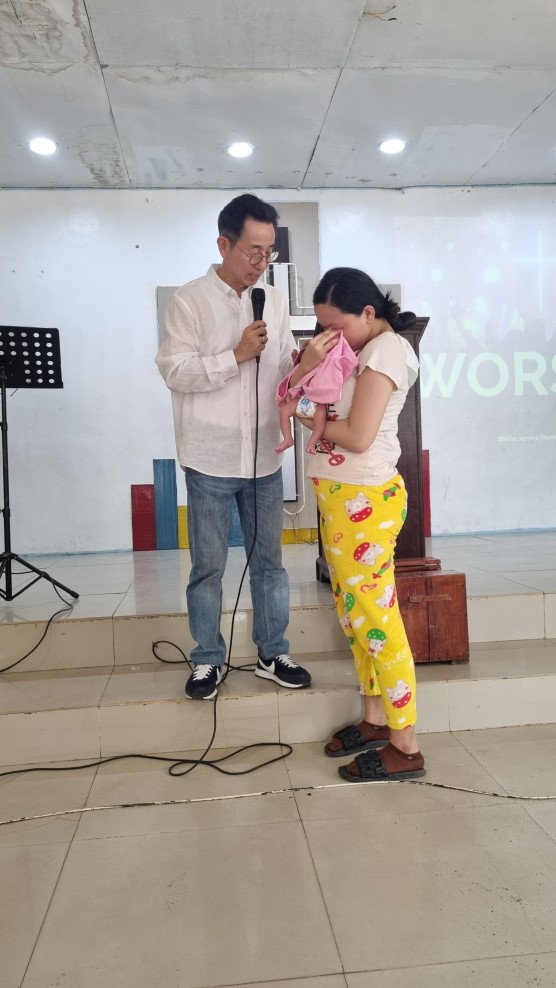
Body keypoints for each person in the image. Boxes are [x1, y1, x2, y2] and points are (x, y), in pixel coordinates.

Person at [155, 194, 311, 700]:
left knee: (270, 564)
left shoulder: (275, 300)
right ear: (223, 244)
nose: (261, 263)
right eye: (252, 251)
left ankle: (272, 651)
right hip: (210, 457)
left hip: (264, 455)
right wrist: (235, 355)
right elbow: (175, 371)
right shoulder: (189, 301)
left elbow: (283, 366)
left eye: (269, 253)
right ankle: (207, 658)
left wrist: (304, 364)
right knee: (208, 568)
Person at [290, 267, 426, 781]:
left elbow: (357, 435)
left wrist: (305, 411)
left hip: (363, 498)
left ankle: (405, 745)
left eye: (336, 326)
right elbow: (319, 411)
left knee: (376, 620)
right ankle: (374, 719)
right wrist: (308, 374)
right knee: (355, 616)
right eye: (322, 327)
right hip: (341, 499)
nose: (329, 337)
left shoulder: (386, 351)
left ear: (368, 313)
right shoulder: (362, 350)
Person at [274, 332, 358, 454]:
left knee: (320, 420)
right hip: (304, 397)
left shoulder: (330, 366)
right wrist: (298, 359)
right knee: (284, 411)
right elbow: (295, 371)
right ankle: (287, 438)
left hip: (319, 400)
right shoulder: (307, 361)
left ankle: (312, 442)